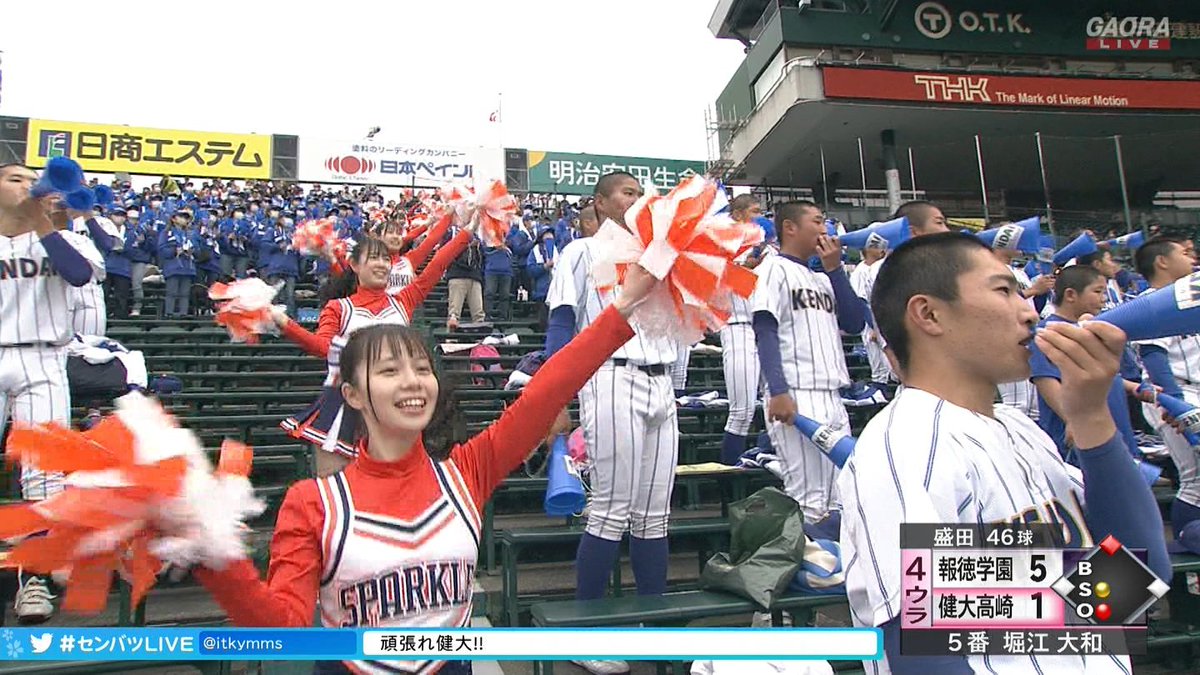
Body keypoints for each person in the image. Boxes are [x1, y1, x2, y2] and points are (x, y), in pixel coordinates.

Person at [190, 265, 658, 675]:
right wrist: (215, 557)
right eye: (390, 371)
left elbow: (545, 392)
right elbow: (285, 637)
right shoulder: (314, 502)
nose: (413, 381)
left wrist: (623, 304)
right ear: (352, 394)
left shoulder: (466, 471)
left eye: (421, 367)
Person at [840, 232, 1168, 674]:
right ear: (929, 314)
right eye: (1003, 291)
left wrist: (1091, 417)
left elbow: (1135, 581)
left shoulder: (1019, 428)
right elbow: (924, 658)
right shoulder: (903, 449)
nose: (1029, 312)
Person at [544, 171, 672, 675]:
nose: (636, 200)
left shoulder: (658, 254)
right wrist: (554, 396)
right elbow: (559, 321)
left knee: (654, 514)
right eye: (626, 193)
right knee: (611, 509)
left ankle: (652, 625)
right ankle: (583, 631)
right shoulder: (580, 250)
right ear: (599, 202)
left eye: (641, 194)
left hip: (662, 379)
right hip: (609, 376)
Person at [277, 228, 472, 478]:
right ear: (355, 265)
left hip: (395, 406)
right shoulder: (339, 308)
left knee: (396, 491)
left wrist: (467, 230)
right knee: (337, 490)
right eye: (373, 258)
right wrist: (285, 324)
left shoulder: (403, 300)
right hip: (345, 407)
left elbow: (437, 264)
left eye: (385, 259)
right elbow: (323, 348)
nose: (382, 264)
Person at [0, 163, 105, 623]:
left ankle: (33, 581)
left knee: (44, 476)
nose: (26, 184)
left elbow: (79, 275)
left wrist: (42, 220)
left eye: (30, 178)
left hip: (42, 357)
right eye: (13, 179)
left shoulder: (65, 239)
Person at [751, 200, 865, 519]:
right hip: (796, 393)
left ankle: (832, 567)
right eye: (816, 221)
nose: (824, 228)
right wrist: (778, 390)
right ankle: (804, 568)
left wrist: (836, 270)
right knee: (810, 499)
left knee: (841, 498)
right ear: (790, 227)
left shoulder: (823, 277)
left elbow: (855, 323)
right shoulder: (773, 269)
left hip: (832, 395)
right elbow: (765, 329)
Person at [1029, 265, 1149, 462]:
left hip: (1112, 425)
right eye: (1097, 291)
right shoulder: (1047, 333)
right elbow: (1046, 380)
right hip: (1081, 437)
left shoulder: (1094, 328)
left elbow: (1105, 377)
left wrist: (1136, 388)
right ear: (1070, 295)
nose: (1103, 298)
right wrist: (1074, 420)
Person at [1132, 235, 1200, 543]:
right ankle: (1187, 536)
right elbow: (1155, 360)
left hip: (1191, 391)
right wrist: (1178, 407)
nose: (1192, 258)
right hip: (1172, 396)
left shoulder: (1187, 299)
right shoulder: (1150, 303)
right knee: (1195, 478)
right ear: (1162, 261)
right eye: (1183, 254)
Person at [719, 201, 773, 465]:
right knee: (742, 410)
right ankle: (727, 476)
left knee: (776, 404)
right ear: (738, 215)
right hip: (737, 327)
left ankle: (766, 456)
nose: (758, 216)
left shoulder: (768, 248)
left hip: (766, 330)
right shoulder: (722, 243)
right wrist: (747, 265)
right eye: (753, 211)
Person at [991, 236, 1055, 419]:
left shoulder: (1019, 272)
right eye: (1014, 238)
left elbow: (1034, 307)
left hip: (1028, 334)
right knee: (1018, 405)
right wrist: (1033, 290)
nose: (1020, 243)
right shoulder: (991, 270)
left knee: (1033, 405)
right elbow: (998, 301)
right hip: (1007, 336)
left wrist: (1041, 292)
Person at [444, 227, 486, 330]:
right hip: (457, 274)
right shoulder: (452, 232)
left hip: (475, 276)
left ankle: (479, 340)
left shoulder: (479, 234)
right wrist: (466, 245)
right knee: (454, 314)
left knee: (478, 314)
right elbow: (445, 251)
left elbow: (484, 255)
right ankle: (450, 340)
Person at [158, 209, 196, 318]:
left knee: (185, 293)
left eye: (185, 217)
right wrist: (174, 251)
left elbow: (197, 248)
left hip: (187, 266)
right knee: (172, 291)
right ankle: (169, 313)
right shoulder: (166, 233)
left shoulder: (189, 234)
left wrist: (192, 252)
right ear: (174, 219)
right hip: (173, 266)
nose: (184, 219)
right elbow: (161, 249)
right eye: (181, 217)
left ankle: (183, 313)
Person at [262, 216, 301, 317]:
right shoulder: (272, 231)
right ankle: (272, 319)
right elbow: (264, 245)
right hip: (275, 267)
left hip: (291, 268)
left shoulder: (297, 234)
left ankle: (291, 319)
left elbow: (302, 252)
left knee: (290, 295)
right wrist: (277, 246)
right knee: (274, 294)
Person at [102, 207, 133, 319]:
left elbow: (134, 249)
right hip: (107, 265)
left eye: (122, 215)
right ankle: (103, 314)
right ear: (111, 216)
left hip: (123, 267)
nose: (120, 218)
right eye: (117, 215)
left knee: (121, 294)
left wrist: (124, 249)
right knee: (104, 293)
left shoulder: (130, 231)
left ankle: (120, 316)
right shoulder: (104, 230)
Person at [526, 227, 559, 332]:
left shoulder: (557, 250)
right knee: (543, 320)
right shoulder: (535, 251)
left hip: (556, 290)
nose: (549, 236)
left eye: (551, 234)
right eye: (546, 234)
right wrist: (544, 266)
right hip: (541, 291)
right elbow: (530, 270)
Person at [124, 208, 154, 316]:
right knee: (123, 284)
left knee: (136, 284)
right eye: (131, 219)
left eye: (135, 219)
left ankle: (137, 307)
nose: (133, 221)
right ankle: (123, 308)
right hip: (124, 259)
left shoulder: (143, 230)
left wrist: (144, 241)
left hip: (139, 259)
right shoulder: (123, 229)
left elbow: (151, 248)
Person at [483, 227, 514, 322]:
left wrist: (506, 244)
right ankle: (487, 315)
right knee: (489, 293)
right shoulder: (488, 239)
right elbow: (483, 249)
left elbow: (516, 247)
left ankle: (503, 316)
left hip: (506, 271)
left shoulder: (509, 237)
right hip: (491, 270)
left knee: (504, 295)